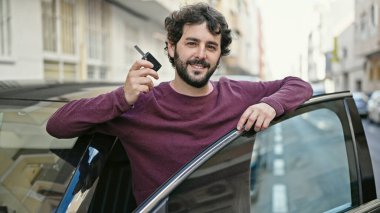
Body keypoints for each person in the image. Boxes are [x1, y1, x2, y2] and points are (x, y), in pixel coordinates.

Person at [46, 3, 313, 205]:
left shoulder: (238, 93)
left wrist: (270, 105)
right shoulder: (139, 104)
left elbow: (299, 85)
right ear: (172, 48)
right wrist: (121, 97)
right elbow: (57, 124)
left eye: (211, 46)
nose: (200, 54)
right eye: (192, 43)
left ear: (220, 54)